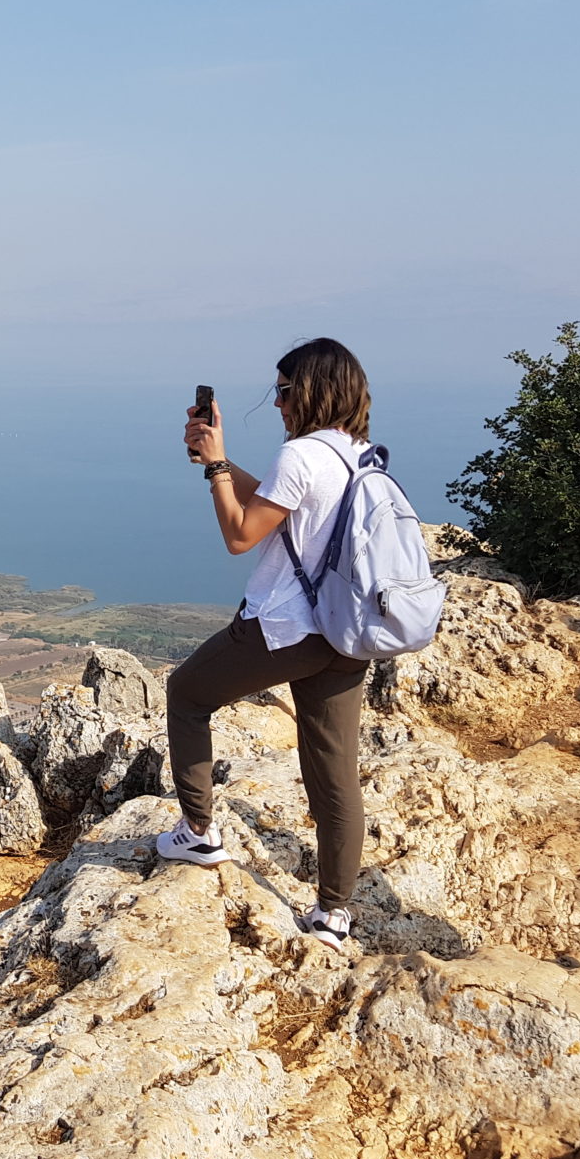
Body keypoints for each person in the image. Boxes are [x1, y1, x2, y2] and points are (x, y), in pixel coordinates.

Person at [155, 338, 374, 952]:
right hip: (346, 631)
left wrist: (220, 469)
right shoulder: (359, 455)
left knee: (188, 693)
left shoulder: (301, 453)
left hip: (285, 628)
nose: (276, 403)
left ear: (310, 392)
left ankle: (198, 830)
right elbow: (281, 502)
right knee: (334, 772)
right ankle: (333, 914)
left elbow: (241, 534)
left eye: (282, 391)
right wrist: (215, 462)